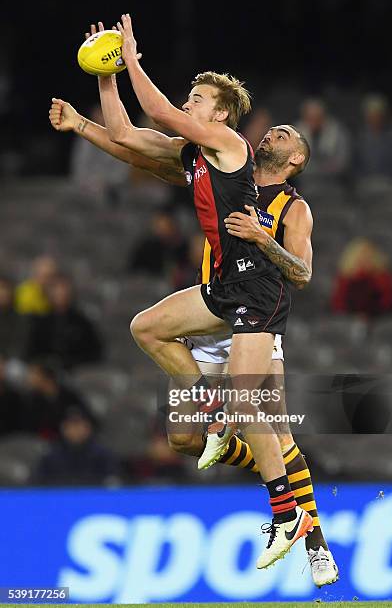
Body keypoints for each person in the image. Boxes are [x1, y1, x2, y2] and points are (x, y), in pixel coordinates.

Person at [48, 28, 338, 583]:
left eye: (198, 100)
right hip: (220, 295)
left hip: (257, 300)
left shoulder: (260, 175)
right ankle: (220, 419)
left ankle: (306, 532)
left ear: (296, 158)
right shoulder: (205, 159)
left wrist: (130, 58)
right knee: (168, 389)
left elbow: (302, 274)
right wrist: (102, 81)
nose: (188, 104)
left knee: (270, 424)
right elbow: (128, 138)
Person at [25, 274, 104, 370]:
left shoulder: (81, 322)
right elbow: (31, 352)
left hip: (76, 371)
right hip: (46, 372)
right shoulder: (40, 322)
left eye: (64, 289)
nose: (61, 293)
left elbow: (95, 352)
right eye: (56, 289)